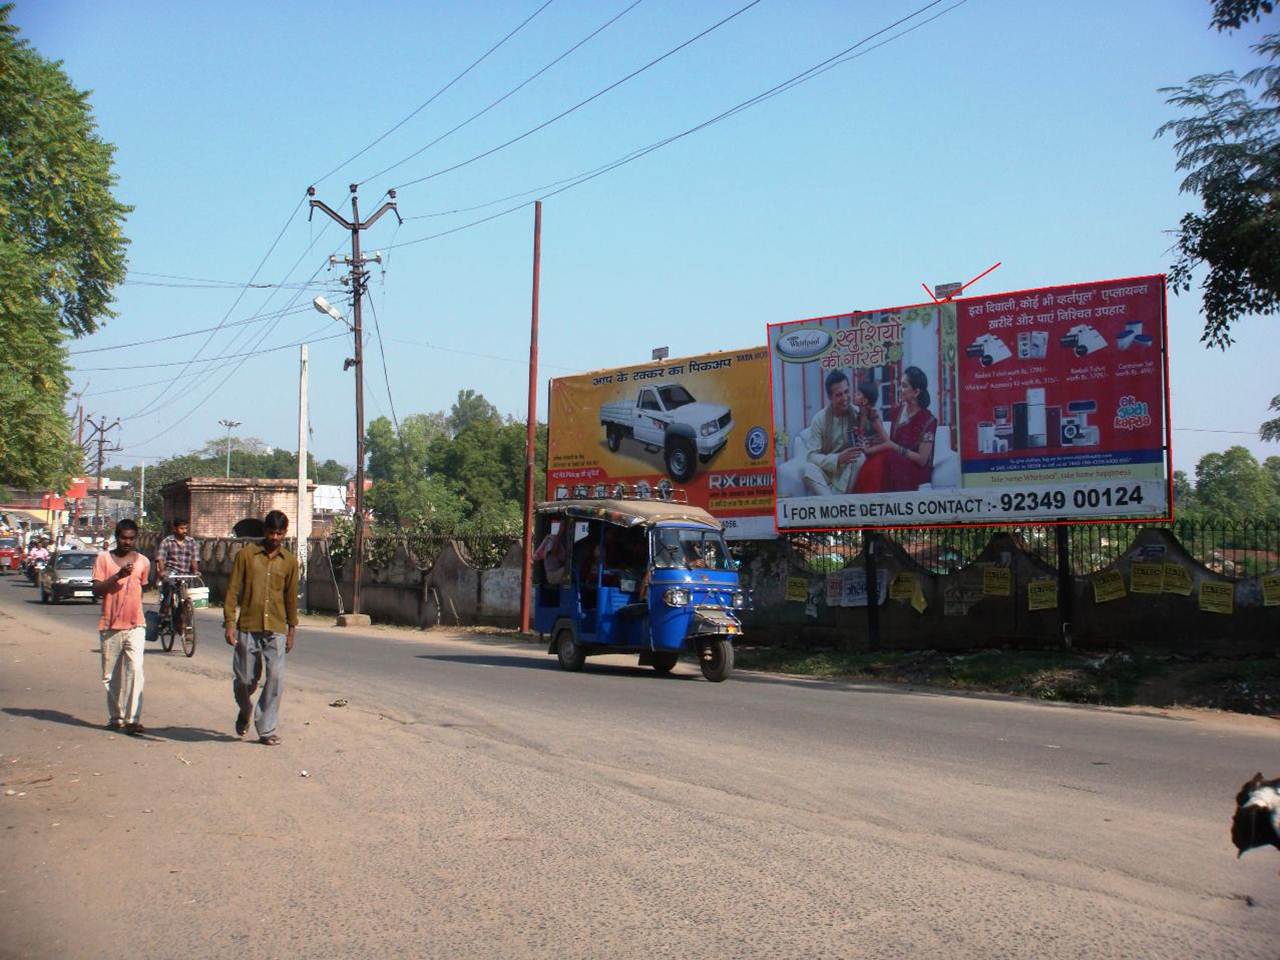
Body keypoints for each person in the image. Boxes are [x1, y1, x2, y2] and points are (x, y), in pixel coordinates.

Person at [223, 510, 299, 745]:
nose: (275, 537)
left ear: (285, 534)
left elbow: (291, 598)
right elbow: (233, 590)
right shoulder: (246, 556)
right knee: (245, 680)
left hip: (276, 627)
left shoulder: (290, 562)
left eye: (279, 533)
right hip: (248, 625)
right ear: (264, 531)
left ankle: (266, 729)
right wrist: (229, 623)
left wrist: (291, 630)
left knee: (275, 678)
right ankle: (245, 708)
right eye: (271, 532)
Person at [91, 519, 151, 734]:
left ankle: (133, 718)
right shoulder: (103, 559)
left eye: (131, 538)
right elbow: (97, 590)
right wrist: (118, 576)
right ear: (117, 537)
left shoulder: (143, 561)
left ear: (136, 539)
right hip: (110, 626)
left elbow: (141, 590)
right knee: (111, 676)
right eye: (124, 538)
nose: (127, 542)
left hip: (136, 626)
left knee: (136, 670)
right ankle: (116, 717)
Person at [853, 366, 938, 493]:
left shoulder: (929, 421)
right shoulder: (898, 411)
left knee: (884, 462)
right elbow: (890, 442)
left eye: (904, 386)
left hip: (914, 468)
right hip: (893, 458)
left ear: (916, 392)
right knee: (874, 462)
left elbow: (922, 460)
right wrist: (873, 444)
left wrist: (894, 447)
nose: (900, 389)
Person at [797, 369, 865, 495]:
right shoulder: (819, 419)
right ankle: (835, 502)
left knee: (859, 457)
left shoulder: (857, 414)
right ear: (829, 397)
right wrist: (838, 458)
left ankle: (835, 501)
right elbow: (811, 456)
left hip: (849, 472)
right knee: (805, 469)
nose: (845, 398)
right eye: (839, 395)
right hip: (826, 473)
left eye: (846, 392)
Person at [156, 517, 200, 625]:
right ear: (175, 529)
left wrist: (196, 571)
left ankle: (182, 616)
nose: (184, 531)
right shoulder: (167, 541)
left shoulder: (191, 542)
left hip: (186, 573)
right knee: (169, 587)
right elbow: (161, 558)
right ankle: (165, 609)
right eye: (181, 528)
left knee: (186, 597)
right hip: (172, 572)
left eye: (186, 528)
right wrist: (162, 571)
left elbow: (195, 559)